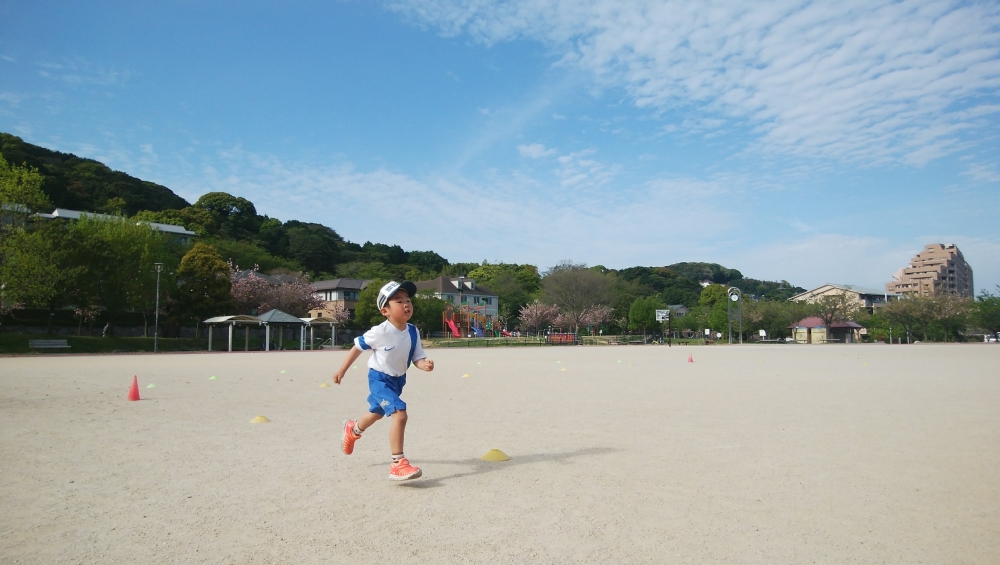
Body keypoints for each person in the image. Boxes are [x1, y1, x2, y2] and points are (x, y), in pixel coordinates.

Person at [333, 281, 435, 481]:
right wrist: (342, 370)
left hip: (398, 380)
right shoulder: (379, 331)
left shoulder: (413, 331)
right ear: (384, 311)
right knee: (400, 414)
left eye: (408, 300)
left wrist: (424, 365)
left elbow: (417, 357)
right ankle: (398, 463)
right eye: (399, 301)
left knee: (377, 412)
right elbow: (357, 347)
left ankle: (352, 430)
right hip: (379, 379)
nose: (406, 304)